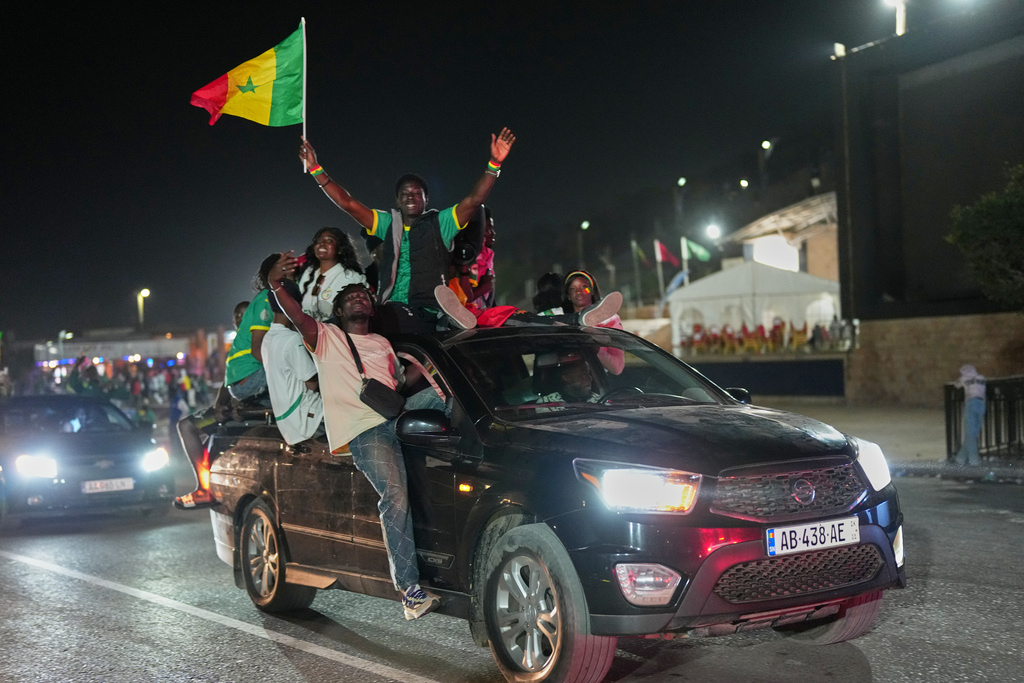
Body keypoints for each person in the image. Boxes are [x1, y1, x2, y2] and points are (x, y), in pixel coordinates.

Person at [268, 253, 443, 621]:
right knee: (394, 494)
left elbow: (396, 387)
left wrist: (429, 368)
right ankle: (409, 591)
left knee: (448, 392)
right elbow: (298, 316)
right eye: (350, 297)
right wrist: (275, 284)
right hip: (364, 430)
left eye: (364, 295)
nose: (359, 298)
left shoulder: (380, 342)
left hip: (394, 415)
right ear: (339, 310)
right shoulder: (326, 337)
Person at [298, 127, 515, 334]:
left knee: (362, 320)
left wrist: (494, 163)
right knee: (343, 322)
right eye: (405, 193)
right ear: (397, 201)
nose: (410, 196)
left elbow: (474, 200)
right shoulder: (387, 222)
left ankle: (444, 318)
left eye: (416, 193)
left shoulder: (441, 222)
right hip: (392, 305)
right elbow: (348, 203)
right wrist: (316, 169)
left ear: (426, 199)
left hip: (426, 307)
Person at [262, 279, 324, 444]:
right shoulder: (291, 339)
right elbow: (312, 384)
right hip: (307, 422)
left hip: (287, 423)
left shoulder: (267, 338)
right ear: (294, 304)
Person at [225, 254, 279, 402]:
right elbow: (257, 350)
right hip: (249, 378)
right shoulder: (266, 299)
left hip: (244, 378)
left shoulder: (268, 298)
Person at [559, 271, 625, 375]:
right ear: (568, 295)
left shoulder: (610, 319)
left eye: (584, 287)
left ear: (593, 291)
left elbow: (617, 368)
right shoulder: (558, 318)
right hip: (568, 379)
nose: (579, 292)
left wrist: (592, 345)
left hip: (597, 380)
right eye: (572, 289)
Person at [296, 227, 367, 322]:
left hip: (335, 335)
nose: (322, 243)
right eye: (318, 241)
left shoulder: (352, 278)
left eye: (329, 240)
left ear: (340, 249)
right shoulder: (308, 273)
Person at [535, 352, 601, 412]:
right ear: (566, 378)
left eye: (589, 373)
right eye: (583, 374)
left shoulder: (599, 400)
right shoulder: (547, 404)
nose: (590, 378)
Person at [953, 364, 987, 466]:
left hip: (971, 403)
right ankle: (961, 457)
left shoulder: (963, 379)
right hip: (982, 404)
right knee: (974, 432)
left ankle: (973, 460)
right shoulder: (982, 378)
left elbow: (956, 384)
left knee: (970, 433)